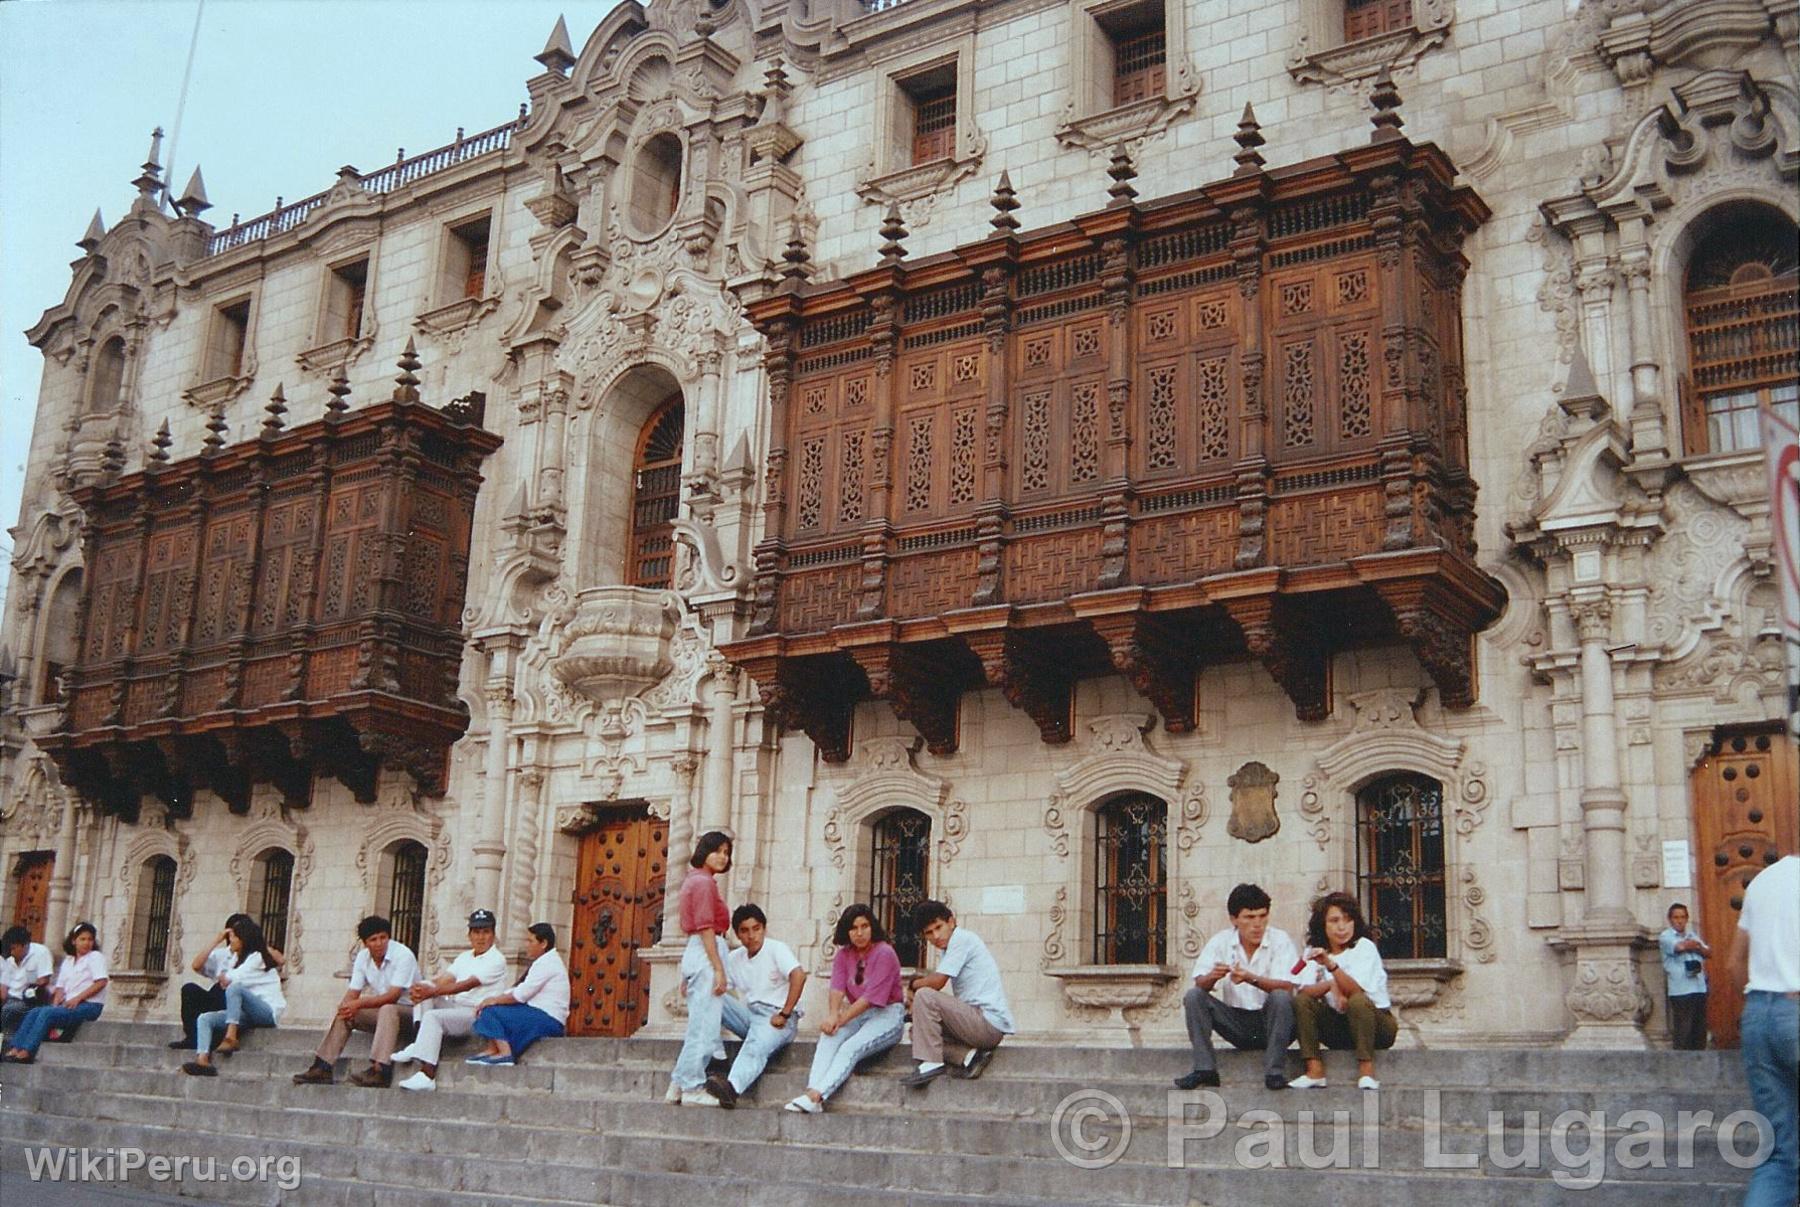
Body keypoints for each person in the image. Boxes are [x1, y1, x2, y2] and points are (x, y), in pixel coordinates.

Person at [1176, 882, 1299, 1092]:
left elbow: (1287, 986)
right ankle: (1205, 1069)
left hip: (1273, 1022)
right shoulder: (1220, 941)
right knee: (1194, 996)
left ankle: (1274, 1072)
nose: (1257, 924)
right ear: (1234, 919)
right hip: (1238, 1023)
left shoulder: (1280, 940)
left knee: (1280, 998)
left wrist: (1251, 978)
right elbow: (1200, 981)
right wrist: (1212, 977)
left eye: (1262, 916)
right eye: (1249, 918)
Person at [784, 903, 905, 1114]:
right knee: (829, 1036)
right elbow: (837, 989)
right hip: (859, 1015)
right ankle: (812, 1093)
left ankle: (817, 1095)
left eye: (864, 926)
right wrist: (832, 1017)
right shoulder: (843, 955)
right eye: (853, 928)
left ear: (872, 927)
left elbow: (869, 998)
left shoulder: (885, 952)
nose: (859, 933)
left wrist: (840, 1019)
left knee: (851, 1047)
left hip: (888, 1014)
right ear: (846, 931)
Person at [1730, 850, 1798, 1207]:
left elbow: (1734, 963)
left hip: (1759, 1014)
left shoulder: (1763, 881)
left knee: (1779, 1156)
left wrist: (1761, 1005)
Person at [291, 915, 418, 1088]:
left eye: (383, 937)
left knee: (388, 1008)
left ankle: (380, 1070)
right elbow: (353, 992)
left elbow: (393, 996)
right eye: (374, 940)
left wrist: (358, 1004)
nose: (380, 943)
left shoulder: (403, 955)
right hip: (384, 1016)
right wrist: (345, 1007)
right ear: (365, 943)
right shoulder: (363, 958)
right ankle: (323, 1066)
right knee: (348, 1012)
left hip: (411, 1014)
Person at [1288, 891, 1397, 1090]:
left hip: (1377, 1025)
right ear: (1323, 924)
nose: (1342, 927)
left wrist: (1330, 966)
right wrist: (1330, 985)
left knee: (1356, 1001)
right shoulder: (1314, 950)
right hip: (1340, 1026)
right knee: (1302, 1002)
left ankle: (1366, 1072)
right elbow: (1303, 992)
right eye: (1334, 920)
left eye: (1348, 920)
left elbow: (1356, 991)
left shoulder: (1364, 947)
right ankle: (1314, 1071)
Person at [901, 899, 1014, 1087]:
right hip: (977, 1024)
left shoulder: (961, 939)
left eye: (939, 927)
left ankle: (932, 1063)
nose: (936, 935)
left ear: (951, 922)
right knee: (917, 1033)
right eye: (929, 933)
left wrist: (913, 985)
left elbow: (937, 982)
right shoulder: (950, 948)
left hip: (987, 1023)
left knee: (925, 995)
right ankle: (970, 1057)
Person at [702, 904, 806, 1108]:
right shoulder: (736, 957)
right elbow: (718, 986)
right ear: (738, 935)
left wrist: (784, 1013)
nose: (752, 935)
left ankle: (731, 1088)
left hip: (778, 1018)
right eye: (745, 931)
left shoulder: (776, 948)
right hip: (751, 1015)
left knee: (755, 1045)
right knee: (710, 997)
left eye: (756, 928)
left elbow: (799, 975)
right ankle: (717, 1056)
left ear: (764, 929)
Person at [394, 909, 509, 1091]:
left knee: (432, 1016)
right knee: (426, 986)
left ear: (493, 935)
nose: (481, 937)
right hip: (456, 1007)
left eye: (486, 932)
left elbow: (464, 985)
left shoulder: (497, 959)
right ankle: (419, 1042)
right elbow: (443, 980)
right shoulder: (465, 957)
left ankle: (427, 1075)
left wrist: (430, 992)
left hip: (477, 1013)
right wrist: (422, 988)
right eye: (476, 932)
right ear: (469, 935)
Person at [666, 830, 733, 1106]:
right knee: (705, 1028)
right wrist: (718, 968)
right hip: (707, 951)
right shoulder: (704, 883)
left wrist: (686, 973)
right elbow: (705, 927)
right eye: (717, 850)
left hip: (698, 953)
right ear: (704, 850)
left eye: (726, 853)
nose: (722, 857)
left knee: (699, 1024)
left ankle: (677, 1086)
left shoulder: (693, 881)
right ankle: (692, 1087)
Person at [182, 917, 284, 1077]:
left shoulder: (257, 958)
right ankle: (202, 1059)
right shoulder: (235, 959)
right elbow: (219, 977)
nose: (231, 941)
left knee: (235, 988)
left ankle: (231, 1036)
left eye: (235, 937)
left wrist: (226, 978)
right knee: (205, 1019)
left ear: (244, 939)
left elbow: (231, 980)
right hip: (247, 1014)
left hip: (267, 1012)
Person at [3, 921, 108, 1064]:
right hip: (69, 1004)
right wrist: (56, 1002)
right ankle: (15, 1048)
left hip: (89, 1005)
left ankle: (28, 1051)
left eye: (90, 939)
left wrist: (77, 999)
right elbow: (60, 988)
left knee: (46, 1014)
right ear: (73, 941)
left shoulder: (95, 957)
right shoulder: (69, 960)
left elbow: (101, 982)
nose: (87, 943)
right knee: (35, 1012)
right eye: (82, 939)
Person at [466, 922, 569, 1066]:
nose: (527, 945)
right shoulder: (544, 961)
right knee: (492, 1009)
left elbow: (521, 995)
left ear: (543, 943)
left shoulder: (548, 963)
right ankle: (492, 1050)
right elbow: (519, 989)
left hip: (548, 1019)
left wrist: (492, 1001)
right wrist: (491, 999)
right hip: (538, 1013)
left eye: (530, 941)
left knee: (490, 1011)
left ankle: (505, 1054)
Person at [1658, 902, 1711, 1051]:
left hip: (1699, 988)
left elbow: (1708, 953)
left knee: (1699, 1031)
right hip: (1681, 990)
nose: (1680, 921)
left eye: (1682, 917)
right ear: (1670, 919)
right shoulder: (1666, 936)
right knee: (1683, 1031)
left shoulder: (1692, 935)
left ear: (1687, 919)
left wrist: (1696, 946)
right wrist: (1695, 946)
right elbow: (1680, 947)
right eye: (1676, 917)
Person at [1, 925, 54, 1043]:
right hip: (10, 999)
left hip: (29, 1000)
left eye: (14, 949)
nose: (11, 952)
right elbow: (4, 987)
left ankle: (10, 1043)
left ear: (24, 945)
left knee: (8, 1011)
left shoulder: (41, 953)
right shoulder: (9, 960)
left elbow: (44, 980)